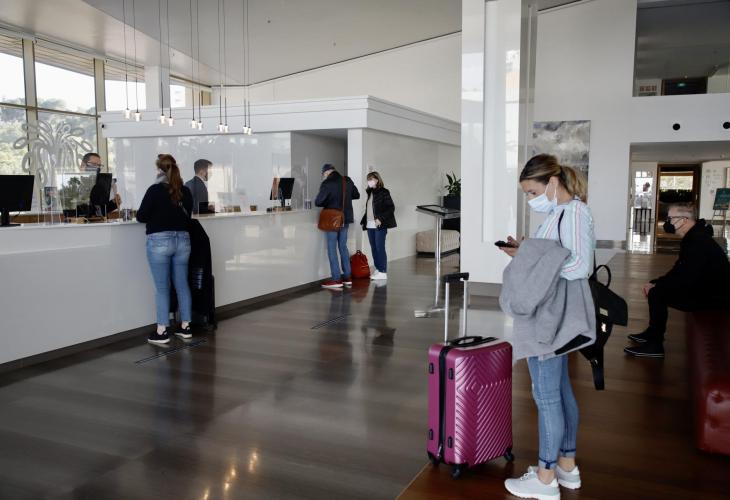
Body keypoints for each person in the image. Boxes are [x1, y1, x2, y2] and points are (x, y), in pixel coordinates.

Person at [500, 154, 595, 500]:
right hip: (556, 315)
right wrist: (525, 252)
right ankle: (566, 467)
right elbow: (552, 257)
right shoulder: (560, 213)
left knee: (546, 396)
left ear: (552, 183)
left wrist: (531, 262)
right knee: (561, 392)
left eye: (532, 192)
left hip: (551, 318)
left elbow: (580, 265)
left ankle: (544, 478)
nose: (530, 199)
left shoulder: (573, 213)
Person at [624, 202, 730, 358]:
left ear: (684, 220)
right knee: (657, 289)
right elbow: (679, 269)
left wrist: (658, 287)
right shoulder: (694, 236)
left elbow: (687, 278)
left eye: (670, 219)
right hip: (708, 290)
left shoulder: (697, 241)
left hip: (715, 299)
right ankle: (652, 333)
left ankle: (655, 345)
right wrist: (657, 282)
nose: (667, 223)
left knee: (657, 294)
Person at [136, 154, 195, 345]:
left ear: (159, 170)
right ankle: (186, 327)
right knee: (182, 285)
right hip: (183, 241)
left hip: (160, 241)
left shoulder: (154, 190)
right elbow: (188, 216)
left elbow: (141, 216)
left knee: (162, 288)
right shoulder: (185, 191)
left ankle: (162, 331)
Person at [315, 164, 360, 289]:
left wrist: (330, 198)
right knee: (343, 246)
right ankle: (347, 277)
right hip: (345, 218)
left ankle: (336, 279)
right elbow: (356, 195)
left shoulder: (327, 183)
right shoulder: (347, 180)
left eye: (323, 174)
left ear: (326, 173)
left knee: (332, 247)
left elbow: (318, 202)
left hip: (333, 219)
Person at [359, 171, 396, 280]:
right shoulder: (370, 192)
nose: (369, 181)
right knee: (374, 248)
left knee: (380, 247)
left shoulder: (384, 192)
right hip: (370, 224)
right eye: (368, 179)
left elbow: (391, 208)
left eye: (371, 179)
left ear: (377, 179)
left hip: (379, 224)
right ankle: (378, 269)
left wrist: (380, 219)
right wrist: (364, 220)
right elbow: (370, 209)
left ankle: (383, 271)